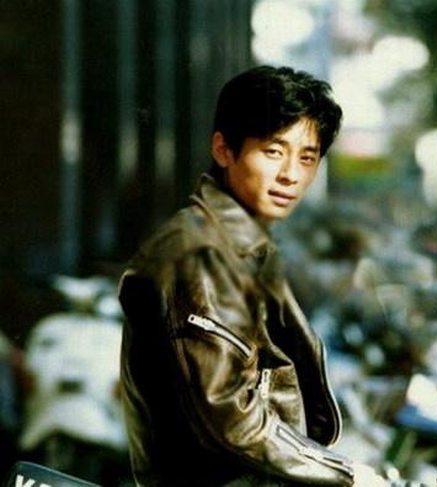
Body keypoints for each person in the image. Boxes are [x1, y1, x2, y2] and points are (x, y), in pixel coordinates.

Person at [118, 65, 386, 486]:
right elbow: (229, 414)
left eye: (307, 157)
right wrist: (346, 474)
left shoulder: (240, 246)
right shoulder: (202, 254)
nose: (291, 175)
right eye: (273, 152)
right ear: (224, 150)